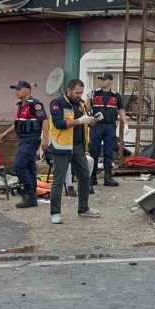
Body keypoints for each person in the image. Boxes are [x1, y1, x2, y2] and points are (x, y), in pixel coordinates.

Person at [48, 79, 100, 225]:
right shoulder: (58, 103)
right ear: (69, 90)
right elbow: (58, 124)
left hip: (78, 147)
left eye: (81, 93)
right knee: (58, 180)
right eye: (77, 92)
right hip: (61, 147)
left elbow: (86, 124)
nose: (79, 95)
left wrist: (92, 120)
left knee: (84, 177)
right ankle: (55, 213)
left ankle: (83, 208)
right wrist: (79, 121)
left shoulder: (81, 104)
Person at [0, 80, 49, 209]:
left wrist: (45, 140)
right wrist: (6, 133)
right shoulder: (21, 105)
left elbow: (45, 121)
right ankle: (32, 197)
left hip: (31, 139)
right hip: (23, 139)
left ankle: (29, 194)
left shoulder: (35, 104)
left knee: (19, 165)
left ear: (28, 90)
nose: (16, 91)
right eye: (15, 89)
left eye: (19, 89)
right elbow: (17, 123)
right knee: (30, 166)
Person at [86, 73, 128, 190]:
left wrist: (126, 124)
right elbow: (87, 108)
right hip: (96, 125)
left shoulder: (116, 96)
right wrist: (88, 98)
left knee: (109, 151)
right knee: (94, 150)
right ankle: (92, 176)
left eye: (104, 80)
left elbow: (121, 110)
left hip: (110, 125)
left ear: (110, 81)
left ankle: (107, 177)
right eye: (101, 80)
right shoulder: (95, 93)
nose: (102, 82)